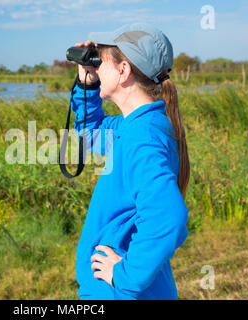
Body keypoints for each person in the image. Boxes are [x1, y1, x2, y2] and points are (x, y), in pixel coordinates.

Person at [70, 22, 190, 300]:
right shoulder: (140, 125)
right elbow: (90, 133)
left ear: (123, 71)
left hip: (121, 292)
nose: (97, 67)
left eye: (102, 62)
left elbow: (168, 217)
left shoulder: (142, 135)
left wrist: (125, 276)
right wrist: (86, 85)